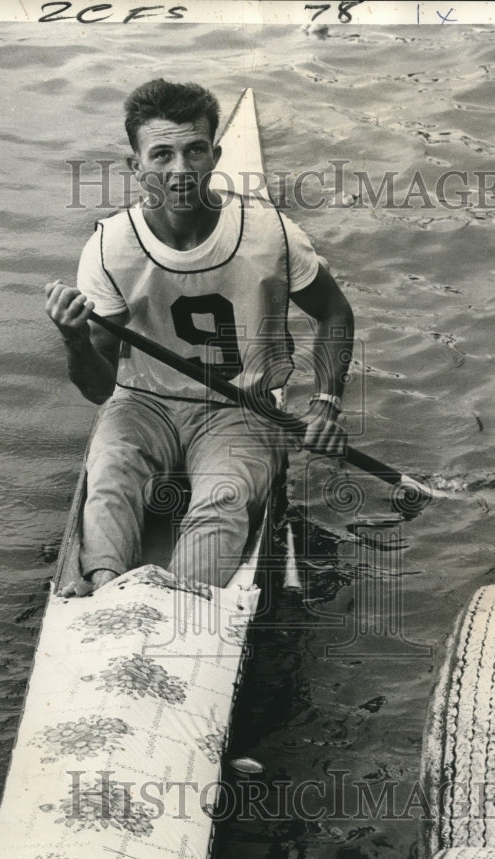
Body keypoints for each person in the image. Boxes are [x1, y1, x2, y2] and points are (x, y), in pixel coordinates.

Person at [45, 79, 353, 594]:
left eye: (195, 151)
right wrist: (73, 338)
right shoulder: (108, 247)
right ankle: (103, 588)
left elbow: (335, 314)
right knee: (110, 477)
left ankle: (180, 602)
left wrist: (325, 403)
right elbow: (101, 389)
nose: (181, 171)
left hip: (243, 407)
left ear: (217, 154)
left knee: (225, 498)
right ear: (135, 166)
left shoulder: (271, 232)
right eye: (161, 154)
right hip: (143, 404)